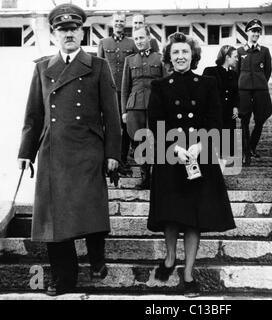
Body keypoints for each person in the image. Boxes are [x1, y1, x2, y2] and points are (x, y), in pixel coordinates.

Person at [17, 3, 121, 296]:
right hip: (53, 152)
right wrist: (25, 152)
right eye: (63, 30)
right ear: (54, 34)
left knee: (89, 209)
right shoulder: (42, 68)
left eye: (74, 29)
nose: (69, 34)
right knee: (54, 221)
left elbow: (112, 116)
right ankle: (63, 278)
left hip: (88, 151)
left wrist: (113, 153)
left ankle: (97, 256)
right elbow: (33, 115)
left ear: (81, 31)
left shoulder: (98, 66)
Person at [147, 32, 235, 297]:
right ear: (169, 58)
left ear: (193, 55)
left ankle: (188, 274)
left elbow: (214, 119)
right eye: (175, 53)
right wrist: (175, 148)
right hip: (171, 156)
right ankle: (171, 258)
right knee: (172, 214)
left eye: (185, 52)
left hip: (200, 155)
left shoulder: (207, 83)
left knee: (194, 218)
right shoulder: (160, 86)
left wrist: (200, 145)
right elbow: (155, 122)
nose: (180, 56)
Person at [121, 26, 165, 189]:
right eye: (136, 39)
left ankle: (156, 177)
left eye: (141, 38)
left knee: (156, 141)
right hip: (135, 107)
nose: (139, 41)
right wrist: (124, 111)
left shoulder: (159, 58)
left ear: (148, 38)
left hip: (155, 106)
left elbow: (166, 85)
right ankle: (145, 177)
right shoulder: (130, 60)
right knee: (139, 142)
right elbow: (125, 87)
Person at [98, 12, 135, 175]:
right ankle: (108, 160)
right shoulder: (103, 42)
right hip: (108, 91)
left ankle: (122, 160)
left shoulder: (132, 43)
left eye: (122, 21)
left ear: (125, 23)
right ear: (112, 23)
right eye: (117, 21)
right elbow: (98, 67)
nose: (119, 23)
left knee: (125, 126)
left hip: (125, 92)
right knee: (109, 125)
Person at [237, 19, 272, 165]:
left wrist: (260, 82)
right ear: (247, 32)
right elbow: (236, 71)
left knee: (260, 119)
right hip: (244, 90)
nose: (256, 34)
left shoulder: (264, 51)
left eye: (258, 31)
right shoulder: (239, 51)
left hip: (260, 90)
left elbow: (268, 71)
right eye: (253, 31)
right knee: (244, 120)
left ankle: (252, 146)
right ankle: (246, 153)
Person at [203, 45, 239, 167]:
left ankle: (225, 164)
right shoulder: (210, 71)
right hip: (215, 113)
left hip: (229, 114)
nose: (237, 59)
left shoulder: (234, 74)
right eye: (235, 57)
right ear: (227, 57)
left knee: (228, 143)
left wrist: (235, 106)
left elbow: (235, 93)